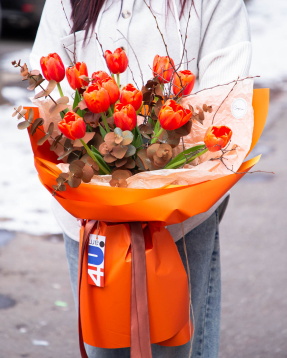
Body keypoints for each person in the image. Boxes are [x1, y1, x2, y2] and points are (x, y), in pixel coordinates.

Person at [30, 0, 251, 357]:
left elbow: (226, 99)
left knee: (176, 347)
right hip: (90, 221)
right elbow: (44, 98)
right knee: (105, 345)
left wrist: (153, 169)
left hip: (181, 223)